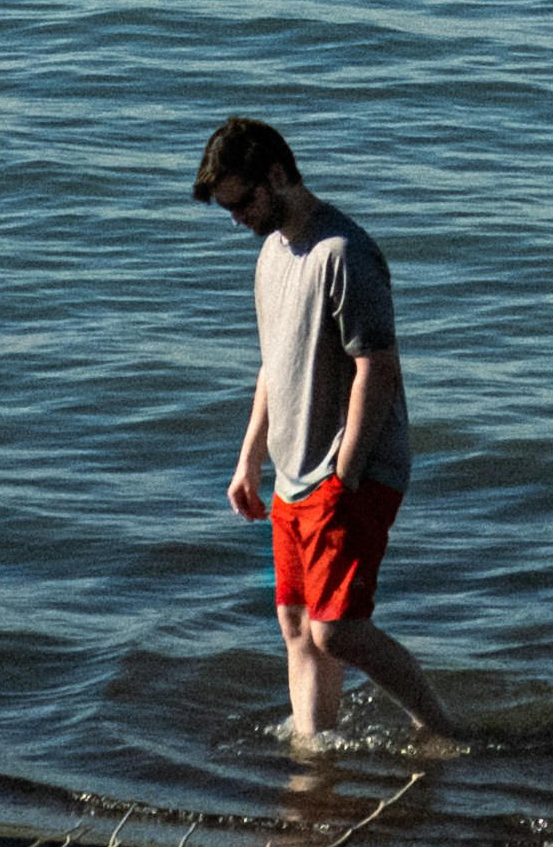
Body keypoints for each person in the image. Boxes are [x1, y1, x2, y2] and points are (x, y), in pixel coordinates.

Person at [194, 113, 468, 756]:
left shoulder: (344, 253)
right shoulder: (270, 256)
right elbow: (272, 365)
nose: (237, 218)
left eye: (243, 201)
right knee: (295, 623)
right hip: (293, 470)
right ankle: (315, 754)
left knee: (336, 628)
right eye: (229, 208)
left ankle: (446, 732)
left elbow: (378, 368)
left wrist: (346, 471)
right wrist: (248, 462)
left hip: (352, 469)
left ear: (279, 175)